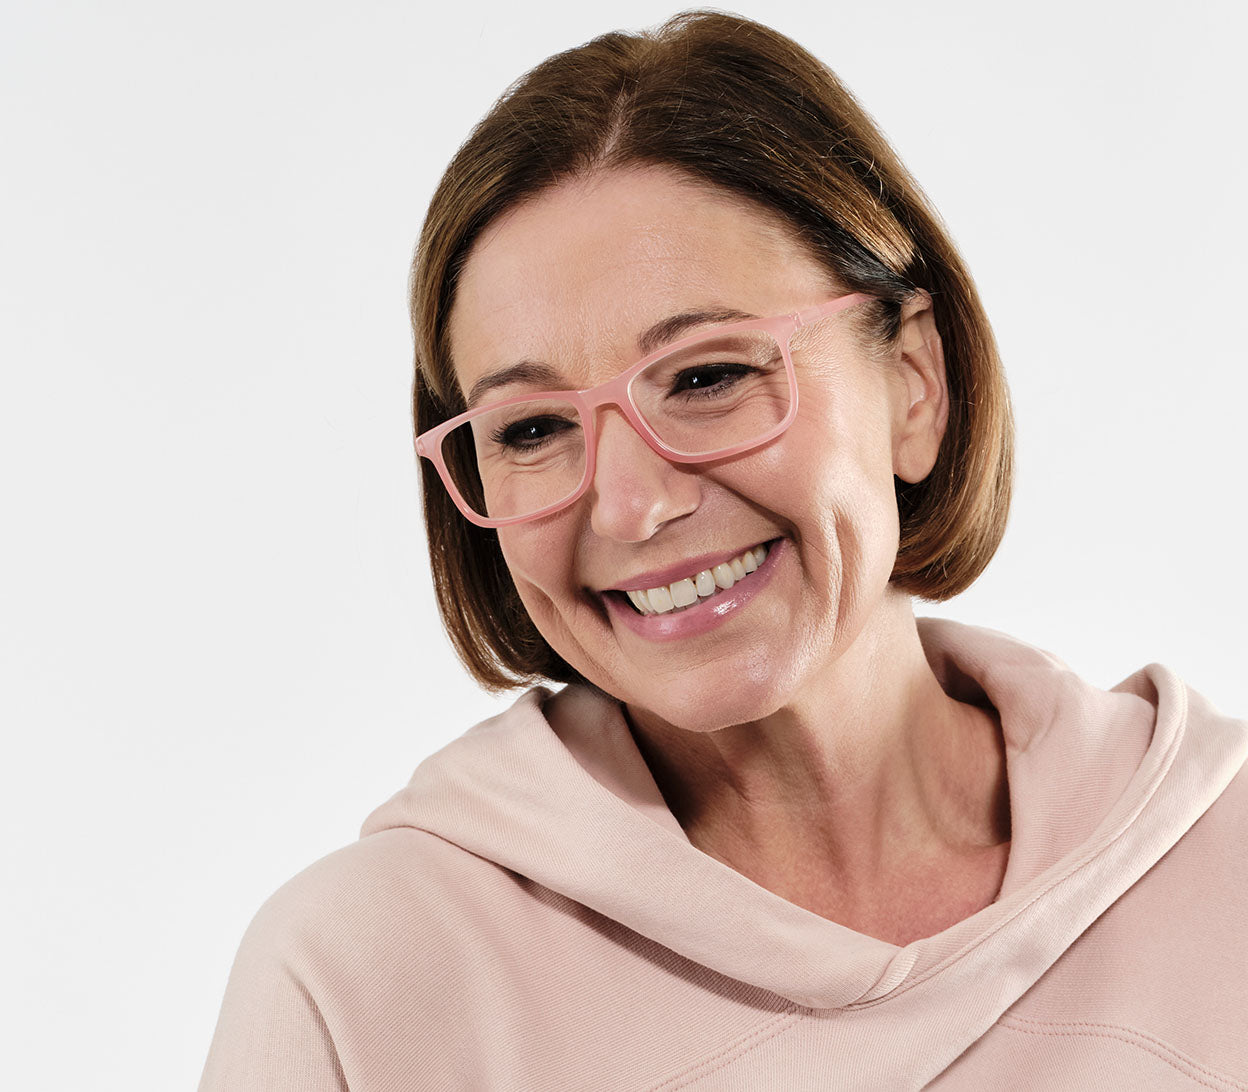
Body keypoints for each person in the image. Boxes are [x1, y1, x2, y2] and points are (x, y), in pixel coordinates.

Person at [198, 12, 1248, 1090]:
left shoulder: (1225, 870)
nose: (632, 506)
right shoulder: (361, 988)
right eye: (533, 429)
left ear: (914, 383)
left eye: (706, 377)